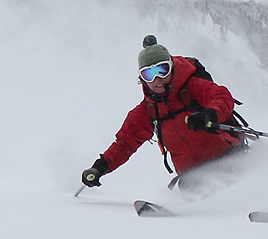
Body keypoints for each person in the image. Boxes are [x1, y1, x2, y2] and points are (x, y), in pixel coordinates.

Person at [82, 35, 244, 188]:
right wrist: (100, 168)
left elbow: (221, 97)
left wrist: (210, 115)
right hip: (193, 176)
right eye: (149, 74)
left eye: (162, 70)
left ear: (172, 68)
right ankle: (201, 211)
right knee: (195, 190)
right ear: (141, 78)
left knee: (236, 185)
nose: (157, 79)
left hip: (228, 157)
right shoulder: (148, 110)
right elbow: (125, 144)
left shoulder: (191, 87)